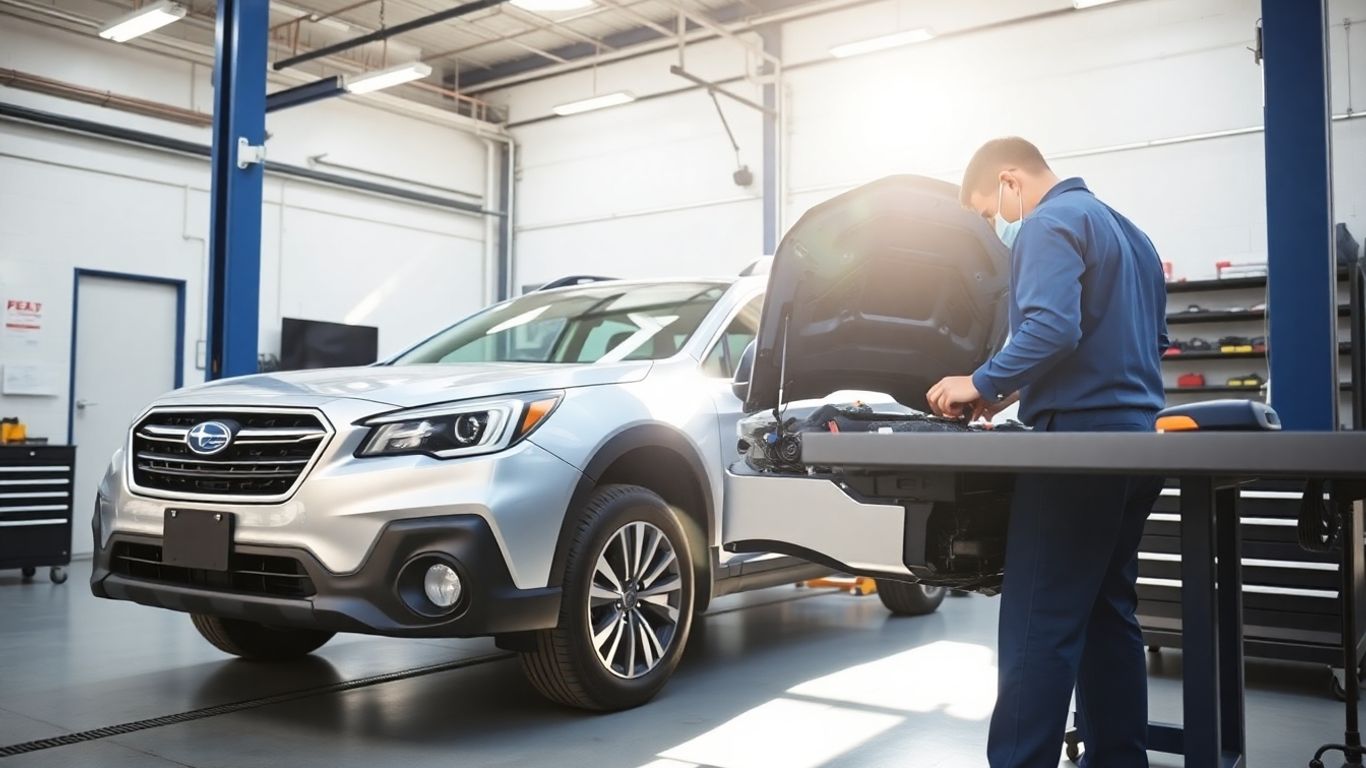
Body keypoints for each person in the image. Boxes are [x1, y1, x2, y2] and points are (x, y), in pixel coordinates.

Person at [926, 137, 1169, 768]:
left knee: (1039, 622)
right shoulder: (1132, 235)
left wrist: (980, 381)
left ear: (1010, 181)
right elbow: (1136, 340)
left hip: (1076, 453)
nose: (997, 227)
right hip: (1137, 443)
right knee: (1109, 614)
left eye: (990, 213)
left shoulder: (1047, 222)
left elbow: (1054, 327)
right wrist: (1009, 391)